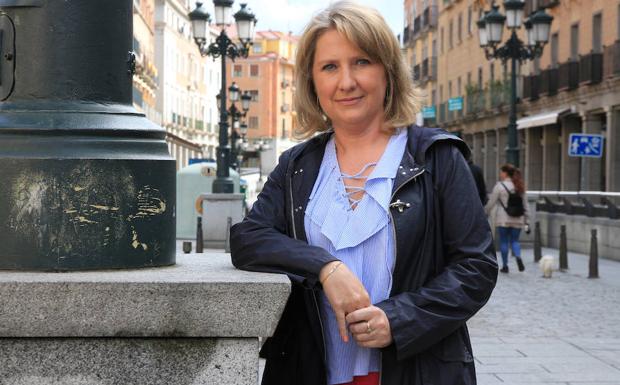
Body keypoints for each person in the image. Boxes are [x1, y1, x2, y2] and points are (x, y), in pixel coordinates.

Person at [230, 2, 498, 384]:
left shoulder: (436, 157)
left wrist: (400, 319)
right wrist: (325, 268)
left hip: (418, 371)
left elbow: (477, 267)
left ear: (388, 71)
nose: (346, 82)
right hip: (308, 370)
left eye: (361, 62)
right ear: (312, 82)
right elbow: (248, 238)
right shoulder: (297, 165)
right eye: (330, 67)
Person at [485, 163, 530, 273]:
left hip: (503, 219)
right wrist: (527, 220)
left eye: (501, 172)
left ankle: (505, 266)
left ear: (505, 173)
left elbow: (491, 202)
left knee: (504, 242)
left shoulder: (499, 186)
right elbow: (525, 204)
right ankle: (518, 256)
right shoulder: (519, 185)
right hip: (518, 219)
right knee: (515, 241)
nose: (500, 174)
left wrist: (484, 212)